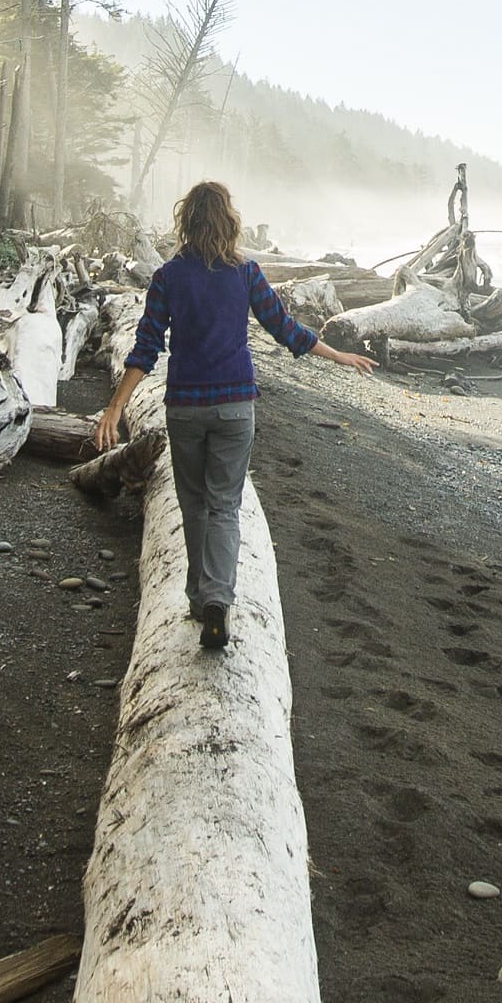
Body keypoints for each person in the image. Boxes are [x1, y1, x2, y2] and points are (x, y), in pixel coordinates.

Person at [94, 180, 374, 650]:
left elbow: (145, 348)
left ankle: (199, 599)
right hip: (234, 408)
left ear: (186, 222)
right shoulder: (245, 273)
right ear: (229, 221)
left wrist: (116, 406)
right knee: (225, 504)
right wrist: (338, 356)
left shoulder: (167, 277)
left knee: (194, 503)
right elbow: (284, 328)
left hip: (185, 407)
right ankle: (218, 600)